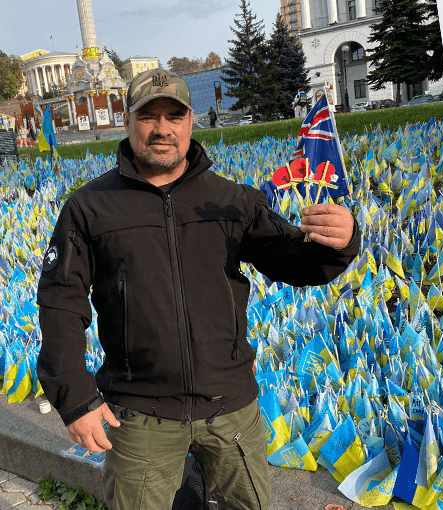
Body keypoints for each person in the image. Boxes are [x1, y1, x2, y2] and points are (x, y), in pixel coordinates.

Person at [36, 68, 361, 510]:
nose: (162, 129)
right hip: (141, 414)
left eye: (174, 115)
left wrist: (340, 242)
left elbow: (295, 261)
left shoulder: (231, 200)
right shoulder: (90, 208)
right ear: (127, 122)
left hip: (232, 411)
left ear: (191, 121)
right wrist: (75, 397)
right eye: (148, 116)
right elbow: (61, 301)